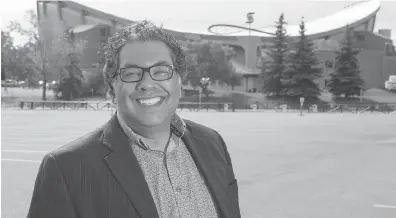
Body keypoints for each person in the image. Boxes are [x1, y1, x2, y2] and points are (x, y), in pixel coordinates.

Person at [27, 20, 241, 218]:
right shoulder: (68, 168)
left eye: (161, 71)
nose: (147, 83)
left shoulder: (213, 144)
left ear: (179, 82)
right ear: (112, 88)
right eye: (131, 73)